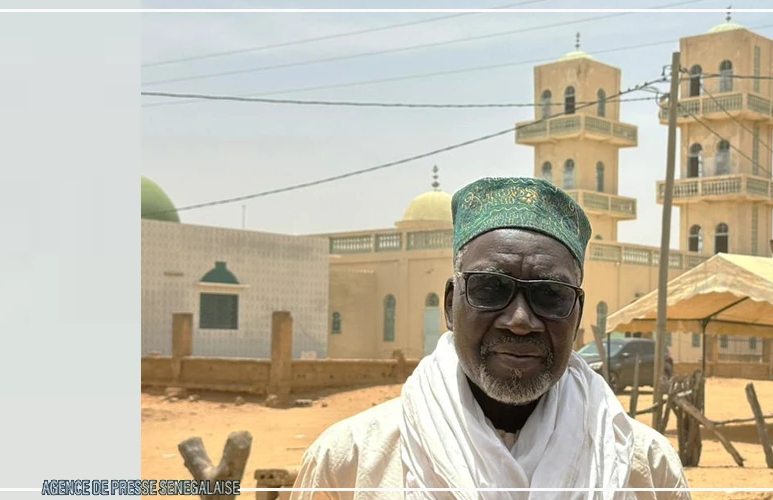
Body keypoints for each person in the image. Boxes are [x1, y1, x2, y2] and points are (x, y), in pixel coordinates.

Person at [290, 178, 690, 499]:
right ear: (450, 305)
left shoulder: (642, 468)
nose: (519, 321)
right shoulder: (352, 461)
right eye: (490, 288)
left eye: (550, 295)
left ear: (577, 315)